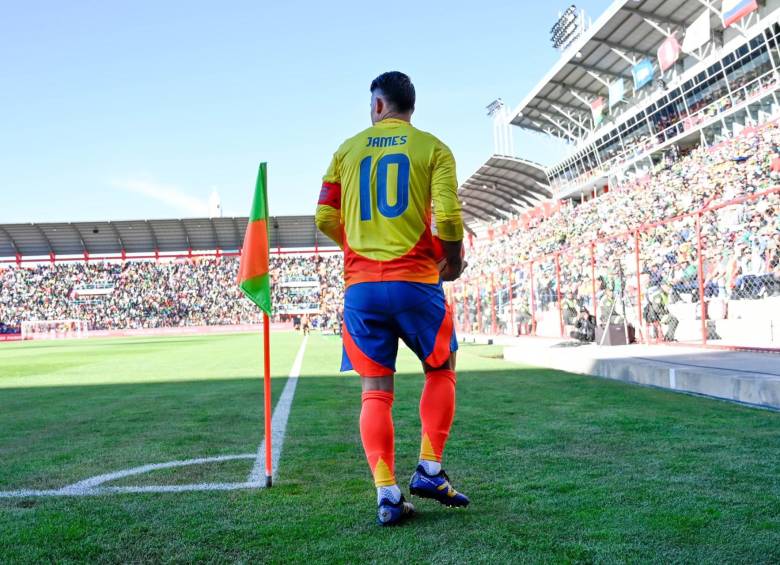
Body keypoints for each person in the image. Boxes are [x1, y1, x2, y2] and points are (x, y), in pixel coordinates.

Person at [315, 71, 469, 526]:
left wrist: (356, 245)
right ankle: (429, 468)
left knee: (375, 392)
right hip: (416, 282)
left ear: (378, 106)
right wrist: (454, 261)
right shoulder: (433, 148)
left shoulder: (346, 150)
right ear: (410, 107)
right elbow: (450, 216)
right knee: (441, 367)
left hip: (360, 288)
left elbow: (323, 216)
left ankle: (387, 494)